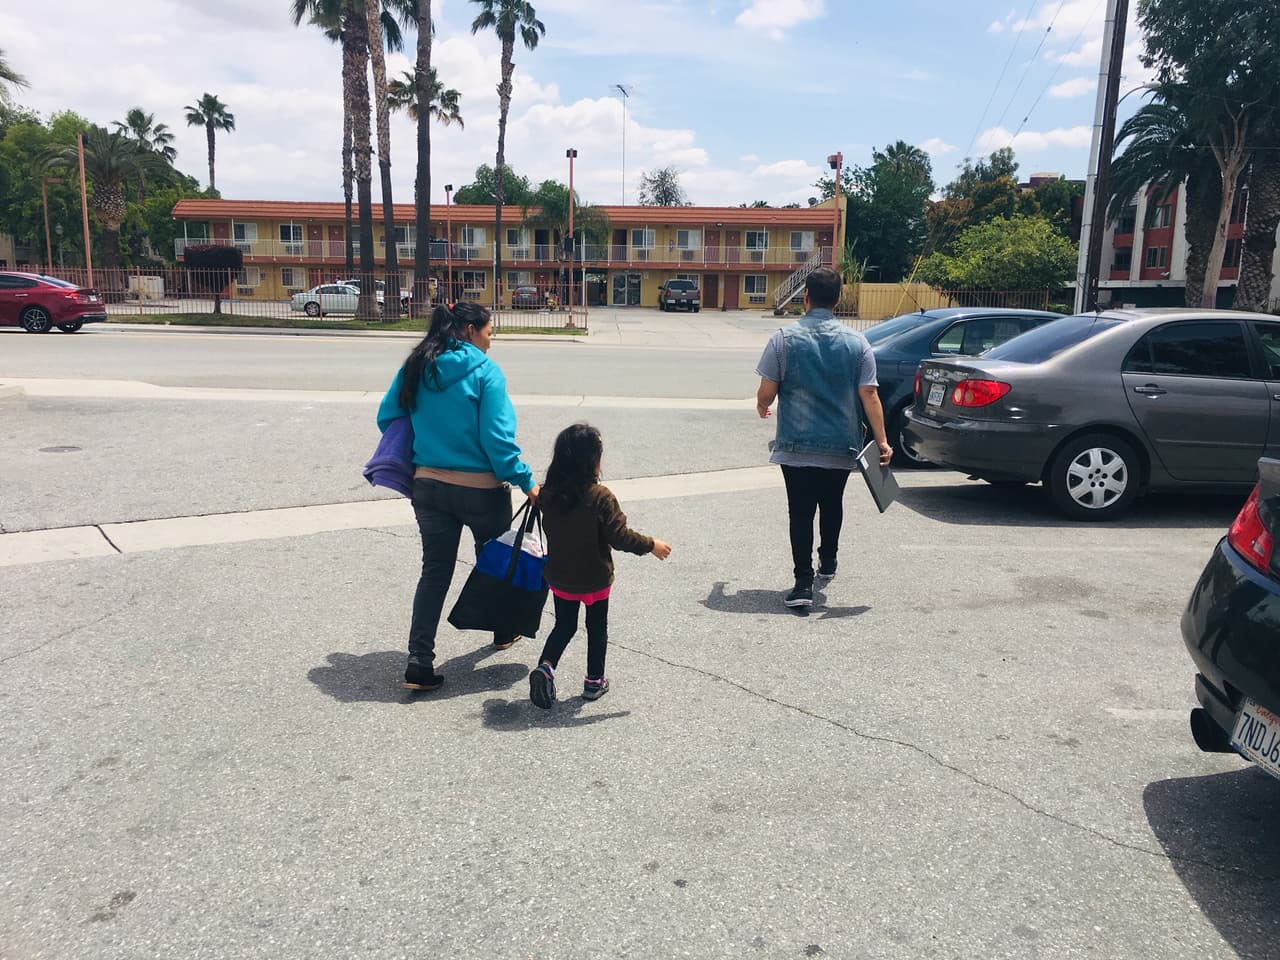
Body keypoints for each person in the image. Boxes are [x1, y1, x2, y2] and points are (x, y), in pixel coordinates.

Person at [377, 301, 540, 691]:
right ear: (470, 330)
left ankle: (419, 661)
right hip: (481, 491)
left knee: (435, 572)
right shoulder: (486, 372)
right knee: (496, 561)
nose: (491, 340)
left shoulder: (417, 365)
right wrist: (526, 481)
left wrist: (428, 440)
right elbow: (497, 440)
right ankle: (503, 631)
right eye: (489, 332)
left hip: (428, 486)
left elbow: (388, 416)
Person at [754, 267, 892, 609]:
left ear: (806, 297)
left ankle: (803, 584)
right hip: (841, 443)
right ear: (839, 299)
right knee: (832, 502)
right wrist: (882, 441)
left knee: (800, 511)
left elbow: (767, 391)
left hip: (797, 444)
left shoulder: (782, 339)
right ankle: (828, 560)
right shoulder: (858, 343)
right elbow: (870, 394)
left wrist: (762, 405)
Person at [527, 423, 671, 708]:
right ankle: (594, 681)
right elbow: (620, 537)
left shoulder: (548, 494)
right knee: (596, 628)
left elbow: (537, 497)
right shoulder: (600, 497)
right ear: (593, 460)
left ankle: (546, 667)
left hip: (561, 577)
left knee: (564, 625)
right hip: (594, 578)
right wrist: (651, 544)